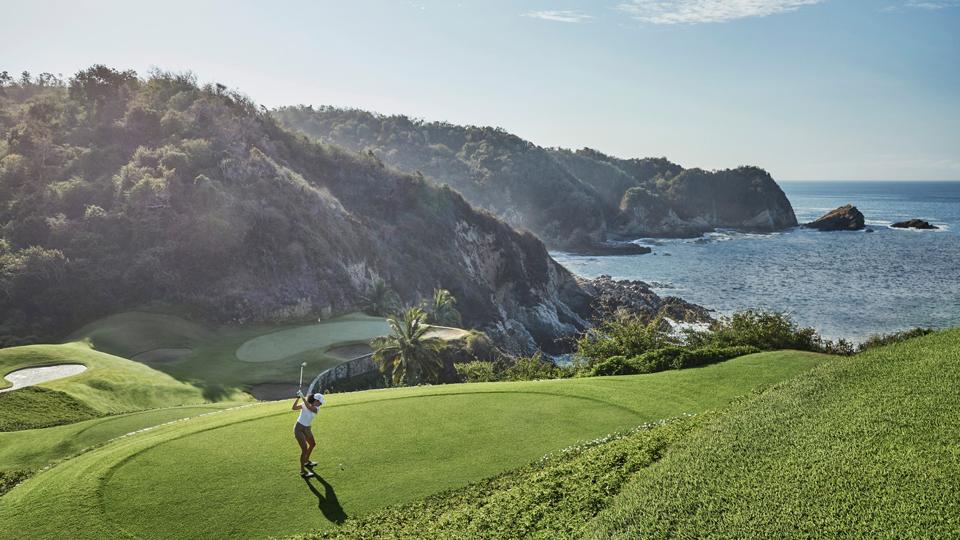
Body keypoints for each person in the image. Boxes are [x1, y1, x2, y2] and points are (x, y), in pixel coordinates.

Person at [292, 391, 324, 478]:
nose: (321, 404)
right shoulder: (304, 404)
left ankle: (306, 461)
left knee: (312, 444)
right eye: (320, 402)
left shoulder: (316, 408)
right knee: (304, 449)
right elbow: (294, 408)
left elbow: (309, 407)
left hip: (307, 428)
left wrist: (303, 397)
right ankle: (303, 471)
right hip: (299, 428)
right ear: (316, 400)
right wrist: (298, 398)